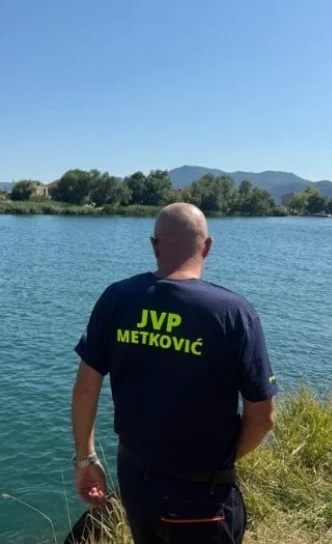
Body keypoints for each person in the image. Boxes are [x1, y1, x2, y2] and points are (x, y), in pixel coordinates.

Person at [71, 202, 278, 544]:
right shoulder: (233, 313)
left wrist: (86, 458)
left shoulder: (117, 299)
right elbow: (263, 418)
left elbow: (85, 388)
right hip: (203, 495)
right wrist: (220, 463)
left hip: (136, 480)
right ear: (207, 246)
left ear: (154, 245)